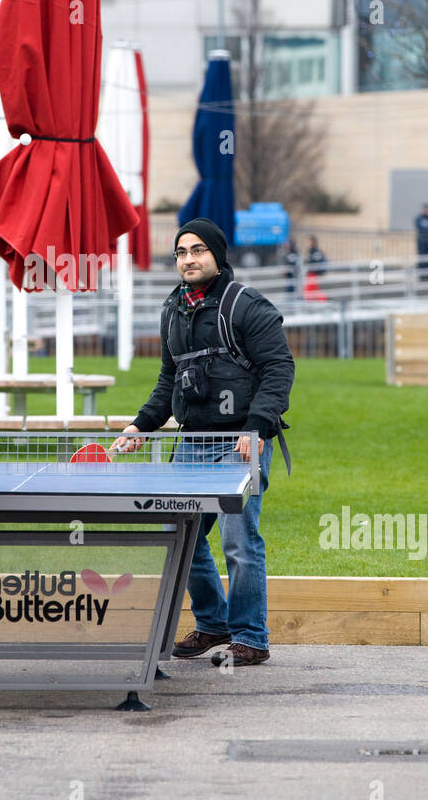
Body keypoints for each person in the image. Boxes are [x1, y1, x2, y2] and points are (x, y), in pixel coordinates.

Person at [113, 218, 295, 666]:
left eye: (197, 251)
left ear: (217, 255)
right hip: (191, 444)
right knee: (181, 535)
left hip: (240, 445)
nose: (188, 259)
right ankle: (214, 623)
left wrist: (256, 429)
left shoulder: (246, 306)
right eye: (180, 252)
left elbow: (279, 368)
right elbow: (168, 381)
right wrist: (141, 425)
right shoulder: (172, 311)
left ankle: (251, 637)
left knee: (239, 540)